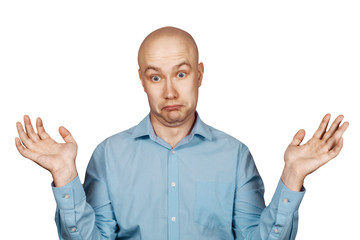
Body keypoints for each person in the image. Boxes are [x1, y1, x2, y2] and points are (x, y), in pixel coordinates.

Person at [15, 26, 349, 240]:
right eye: (156, 77)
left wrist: (293, 175)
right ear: (142, 80)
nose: (170, 92)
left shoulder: (234, 155)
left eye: (182, 73)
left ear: (199, 74)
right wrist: (64, 174)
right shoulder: (109, 155)